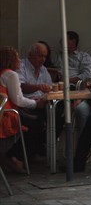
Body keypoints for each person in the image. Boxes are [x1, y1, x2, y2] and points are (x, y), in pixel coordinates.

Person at [0, 46, 46, 174]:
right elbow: (18, 100)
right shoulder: (10, 75)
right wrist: (36, 104)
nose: (20, 60)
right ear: (11, 60)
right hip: (7, 114)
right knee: (37, 123)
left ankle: (15, 155)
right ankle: (16, 156)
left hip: (5, 111)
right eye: (17, 58)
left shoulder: (2, 73)